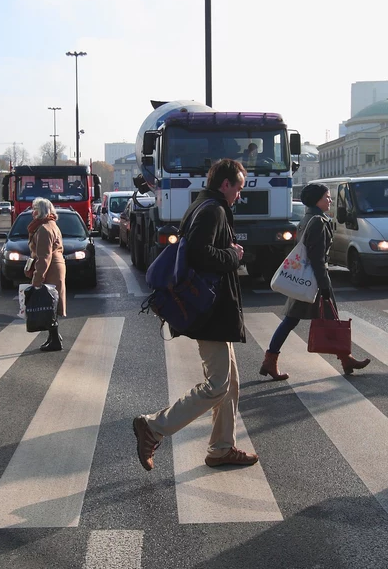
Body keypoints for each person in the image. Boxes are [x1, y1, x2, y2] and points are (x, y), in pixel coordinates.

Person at [133, 158, 255, 471]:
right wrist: (233, 255)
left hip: (214, 310)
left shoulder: (206, 205)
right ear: (225, 184)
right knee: (216, 386)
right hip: (210, 312)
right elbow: (202, 253)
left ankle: (221, 448)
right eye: (238, 188)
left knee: (231, 384)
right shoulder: (213, 210)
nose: (239, 195)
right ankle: (154, 426)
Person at [260, 183, 370, 381]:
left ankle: (346, 358)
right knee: (308, 319)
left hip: (306, 279)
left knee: (303, 320)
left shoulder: (308, 218)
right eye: (327, 196)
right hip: (313, 280)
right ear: (317, 200)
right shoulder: (318, 221)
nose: (330, 200)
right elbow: (317, 257)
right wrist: (324, 284)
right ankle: (270, 361)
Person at [26, 197, 66, 352]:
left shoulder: (44, 229)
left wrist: (37, 278)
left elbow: (44, 257)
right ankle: (53, 337)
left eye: (34, 208)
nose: (32, 212)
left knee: (48, 303)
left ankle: (55, 340)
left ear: (40, 210)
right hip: (55, 266)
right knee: (51, 304)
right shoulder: (50, 224)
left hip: (50, 269)